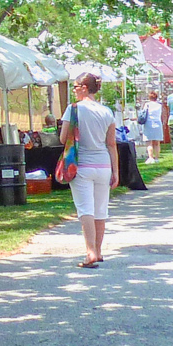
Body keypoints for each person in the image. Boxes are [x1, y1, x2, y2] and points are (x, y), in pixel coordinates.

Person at [59, 74, 121, 267]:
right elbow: (111, 144)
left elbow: (63, 139)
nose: (74, 90)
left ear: (85, 88)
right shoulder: (106, 112)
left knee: (85, 209)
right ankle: (99, 250)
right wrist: (115, 171)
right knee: (100, 209)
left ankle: (90, 252)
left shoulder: (74, 109)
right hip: (103, 164)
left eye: (76, 86)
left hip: (81, 164)